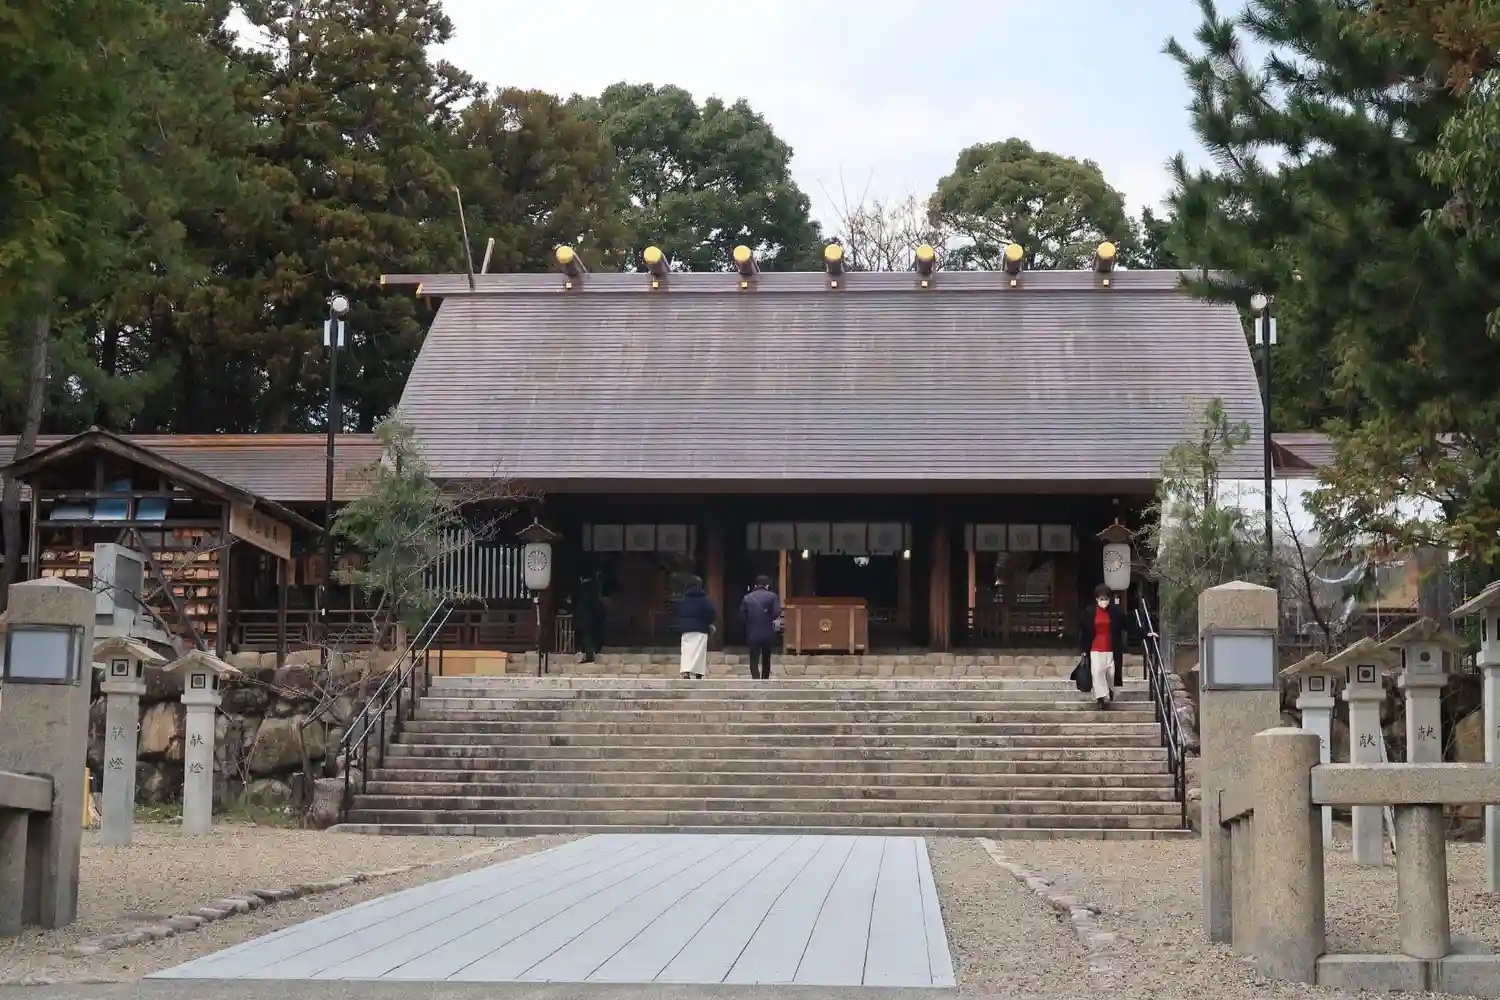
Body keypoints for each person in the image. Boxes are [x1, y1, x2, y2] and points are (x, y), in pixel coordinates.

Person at [1077, 583, 1130, 709]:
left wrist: (1145, 633)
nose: (1104, 601)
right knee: (1097, 672)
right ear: (1096, 599)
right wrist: (1083, 649)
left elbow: (1128, 624)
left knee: (1110, 673)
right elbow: (1083, 631)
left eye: (1106, 599)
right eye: (1101, 599)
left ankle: (1109, 689)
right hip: (1095, 648)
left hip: (1111, 648)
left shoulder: (1115, 612)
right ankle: (1100, 698)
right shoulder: (1090, 612)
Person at [740, 575, 782, 680]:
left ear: (755, 585)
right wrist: (768, 617)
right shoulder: (773, 596)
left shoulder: (747, 598)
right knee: (766, 657)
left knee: (754, 656)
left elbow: (742, 616)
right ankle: (765, 678)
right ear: (767, 585)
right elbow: (777, 612)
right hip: (767, 631)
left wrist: (750, 621)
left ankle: (755, 677)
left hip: (752, 631)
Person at [676, 576, 717, 679]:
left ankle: (685, 671)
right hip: (700, 628)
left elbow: (678, 613)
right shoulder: (704, 599)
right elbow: (711, 613)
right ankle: (698, 672)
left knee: (686, 651)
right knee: (699, 652)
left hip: (686, 629)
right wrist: (708, 623)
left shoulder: (683, 600)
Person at [573, 568, 605, 664]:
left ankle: (590, 655)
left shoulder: (586, 589)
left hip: (586, 617)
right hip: (589, 617)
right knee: (588, 636)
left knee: (587, 637)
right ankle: (589, 653)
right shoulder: (592, 588)